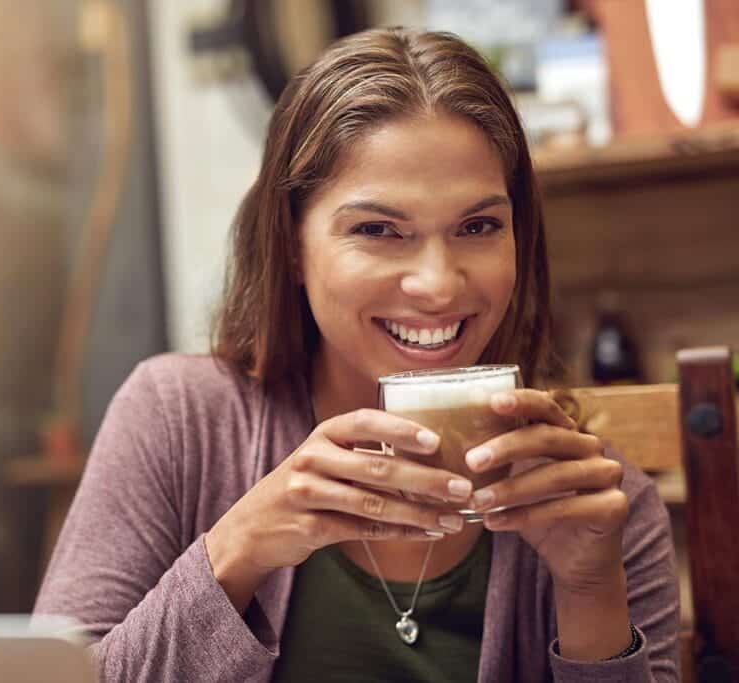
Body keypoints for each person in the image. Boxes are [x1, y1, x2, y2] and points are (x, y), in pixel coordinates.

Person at [34, 27, 679, 682]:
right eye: (378, 230)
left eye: (478, 226)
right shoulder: (178, 418)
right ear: (290, 244)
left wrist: (592, 590)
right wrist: (237, 548)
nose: (438, 283)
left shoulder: (608, 506)